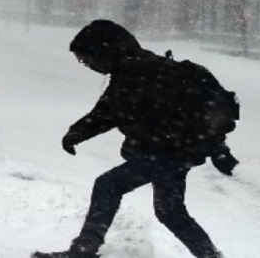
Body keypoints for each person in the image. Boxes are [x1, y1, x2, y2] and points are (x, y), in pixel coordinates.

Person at [33, 20, 234, 258]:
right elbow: (107, 112)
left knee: (108, 185)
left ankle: (83, 251)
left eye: (86, 58)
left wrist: (216, 148)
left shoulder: (143, 72)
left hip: (170, 151)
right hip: (175, 152)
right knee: (170, 212)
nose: (86, 64)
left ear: (103, 50)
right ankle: (211, 256)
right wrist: (77, 132)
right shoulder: (128, 72)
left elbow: (185, 110)